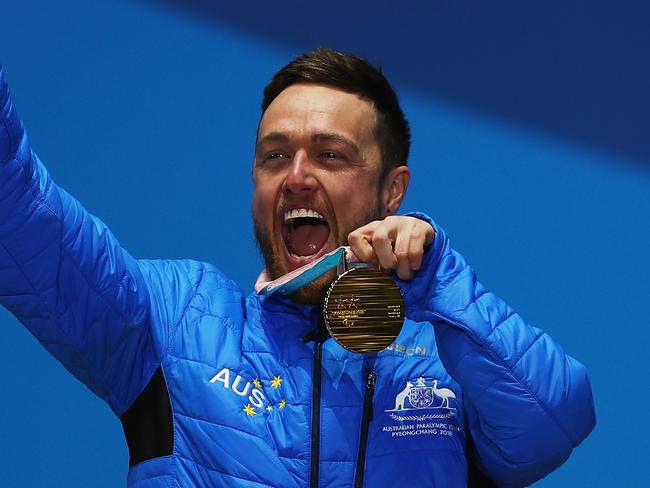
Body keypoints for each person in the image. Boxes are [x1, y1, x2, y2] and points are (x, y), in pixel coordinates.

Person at [0, 48, 594, 487]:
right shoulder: (174, 318)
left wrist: (436, 280)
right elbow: (20, 217)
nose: (297, 177)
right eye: (275, 156)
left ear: (393, 192)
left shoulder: (449, 355)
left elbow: (553, 424)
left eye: (331, 155)